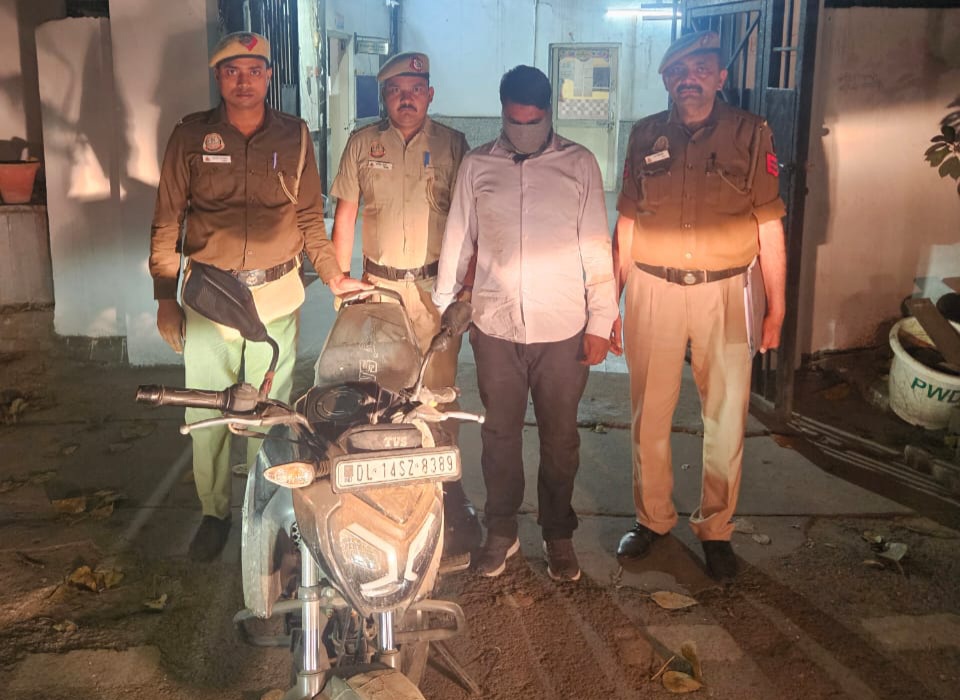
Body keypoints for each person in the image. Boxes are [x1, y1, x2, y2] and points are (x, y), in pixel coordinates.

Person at [149, 31, 359, 563]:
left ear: (268, 76)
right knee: (208, 409)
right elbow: (168, 219)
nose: (243, 81)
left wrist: (334, 276)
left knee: (268, 412)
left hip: (276, 296)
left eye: (253, 70)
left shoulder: (294, 135)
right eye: (231, 71)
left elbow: (310, 218)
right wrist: (164, 296)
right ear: (218, 78)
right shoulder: (190, 136)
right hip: (210, 298)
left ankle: (264, 509)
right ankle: (214, 513)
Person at [612, 31, 787, 581]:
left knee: (726, 416)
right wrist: (610, 301)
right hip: (652, 289)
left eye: (701, 69)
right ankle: (652, 519)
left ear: (720, 77)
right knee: (648, 413)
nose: (688, 79)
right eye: (678, 72)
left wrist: (776, 308)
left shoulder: (751, 133)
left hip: (728, 291)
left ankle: (716, 529)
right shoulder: (645, 134)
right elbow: (626, 224)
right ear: (666, 79)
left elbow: (769, 225)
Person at [435, 65, 619, 583]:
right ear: (502, 113)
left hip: (563, 327)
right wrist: (445, 305)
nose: (523, 132)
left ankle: (558, 534)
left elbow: (595, 245)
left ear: (548, 114)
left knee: (560, 439)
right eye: (514, 123)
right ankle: (501, 531)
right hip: (495, 325)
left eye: (533, 123)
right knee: (499, 435)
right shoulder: (478, 165)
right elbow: (459, 236)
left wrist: (601, 320)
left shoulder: (579, 164)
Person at [330, 51, 481, 559]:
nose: (406, 98)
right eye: (396, 90)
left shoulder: (454, 145)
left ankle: (448, 490)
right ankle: (386, 485)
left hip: (435, 291)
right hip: (378, 289)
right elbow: (346, 213)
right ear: (384, 97)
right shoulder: (362, 144)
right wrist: (341, 282)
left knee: (438, 394)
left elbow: (470, 220)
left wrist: (465, 290)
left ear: (430, 95)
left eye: (416, 89)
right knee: (381, 390)